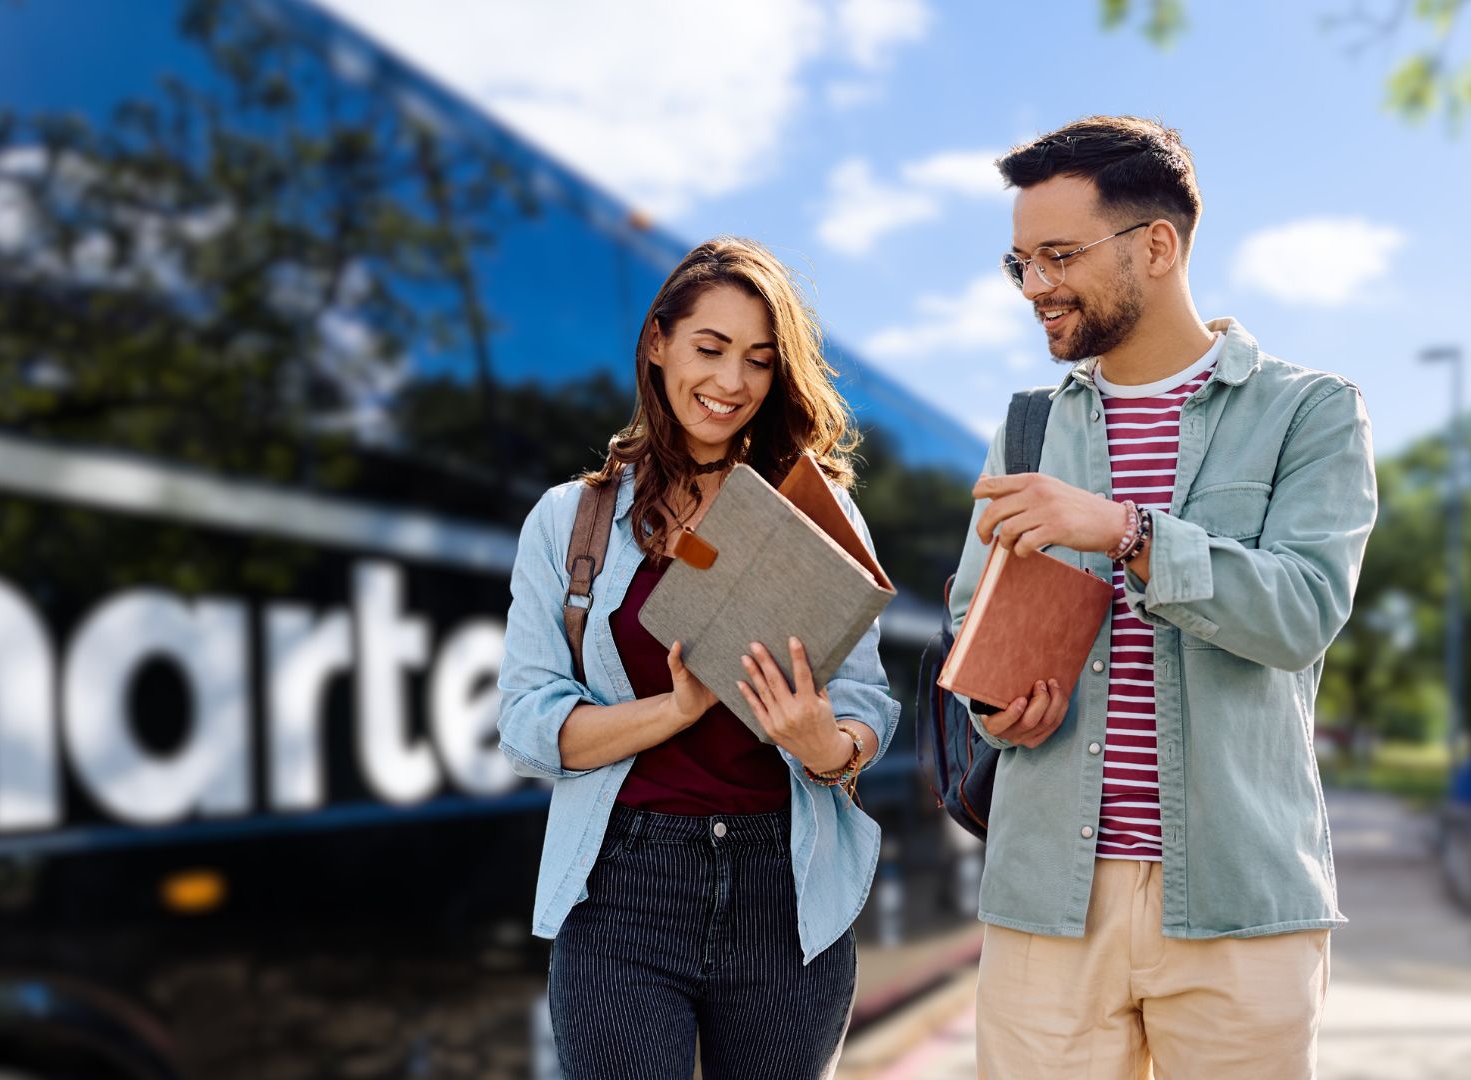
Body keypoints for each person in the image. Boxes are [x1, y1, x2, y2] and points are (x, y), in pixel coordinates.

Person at [950, 116, 1377, 1079]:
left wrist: (1129, 533)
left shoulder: (1308, 411)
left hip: (1237, 904)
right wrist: (995, 703)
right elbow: (970, 615)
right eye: (1018, 262)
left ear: (1158, 244)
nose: (1035, 287)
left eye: (1059, 256)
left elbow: (1303, 610)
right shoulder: (1027, 427)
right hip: (1045, 904)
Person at [497, 237, 899, 1079]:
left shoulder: (819, 515)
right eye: (709, 349)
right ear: (658, 344)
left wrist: (825, 747)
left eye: (758, 360)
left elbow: (868, 702)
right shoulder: (570, 521)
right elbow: (529, 725)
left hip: (784, 893)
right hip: (623, 893)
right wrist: (676, 710)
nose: (730, 384)